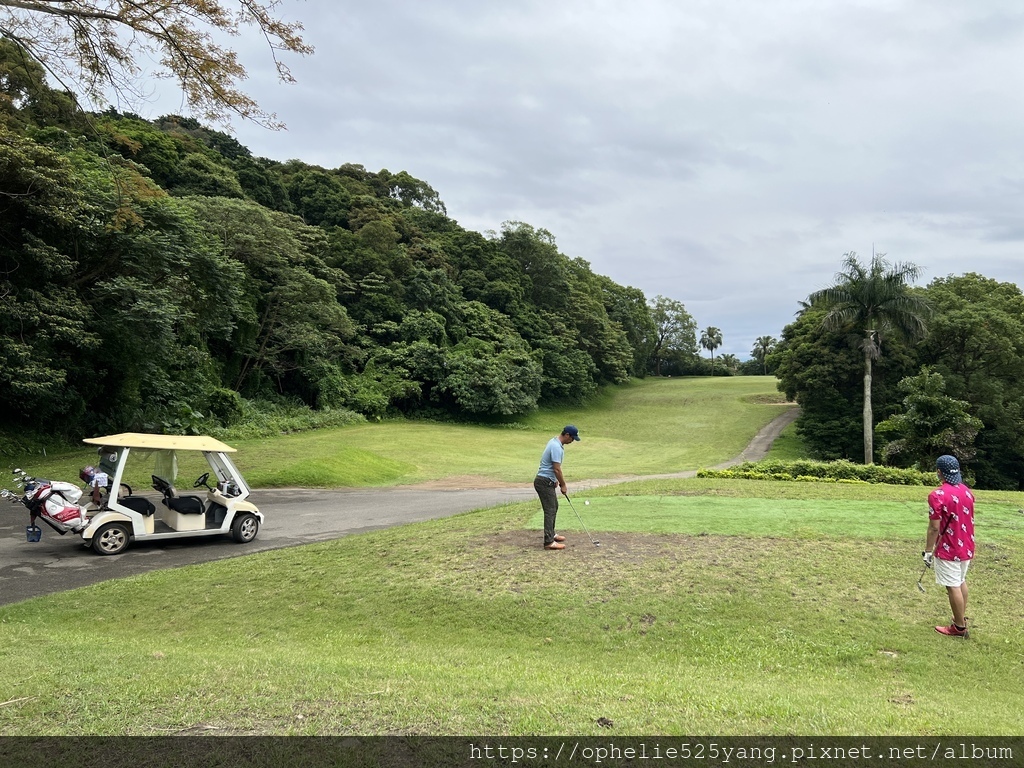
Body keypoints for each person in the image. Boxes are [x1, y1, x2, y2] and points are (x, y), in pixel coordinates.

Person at [923, 454, 975, 638]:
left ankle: (959, 627)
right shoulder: (966, 491)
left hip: (948, 548)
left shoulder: (937, 495)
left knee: (952, 585)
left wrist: (928, 551)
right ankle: (959, 617)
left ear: (939, 472)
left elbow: (934, 527)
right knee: (960, 581)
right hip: (966, 545)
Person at [534, 425, 581, 550]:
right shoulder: (556, 447)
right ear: (567, 435)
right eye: (572, 438)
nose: (572, 441)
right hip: (544, 482)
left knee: (554, 506)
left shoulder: (554, 441)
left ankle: (552, 533)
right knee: (550, 510)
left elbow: (552, 468)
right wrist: (563, 484)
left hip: (547, 480)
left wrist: (555, 480)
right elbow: (556, 469)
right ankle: (548, 542)